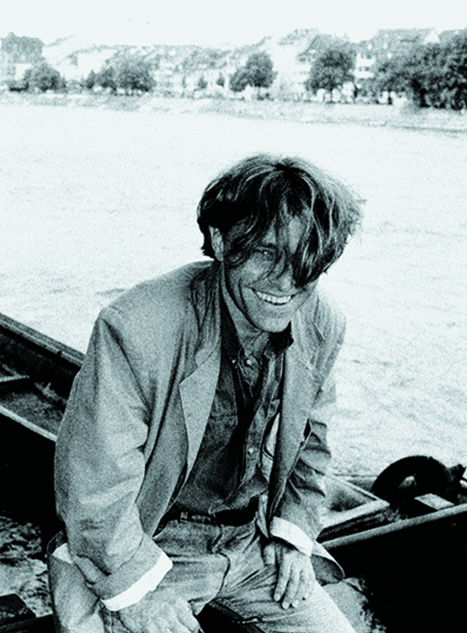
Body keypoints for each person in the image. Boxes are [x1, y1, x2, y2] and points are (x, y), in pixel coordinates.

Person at [50, 154, 363, 633]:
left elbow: (311, 444)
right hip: (149, 542)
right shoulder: (137, 327)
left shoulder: (322, 321)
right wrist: (138, 592)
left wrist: (292, 534)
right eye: (265, 253)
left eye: (305, 262)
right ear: (219, 239)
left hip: (252, 543)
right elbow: (94, 487)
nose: (285, 283)